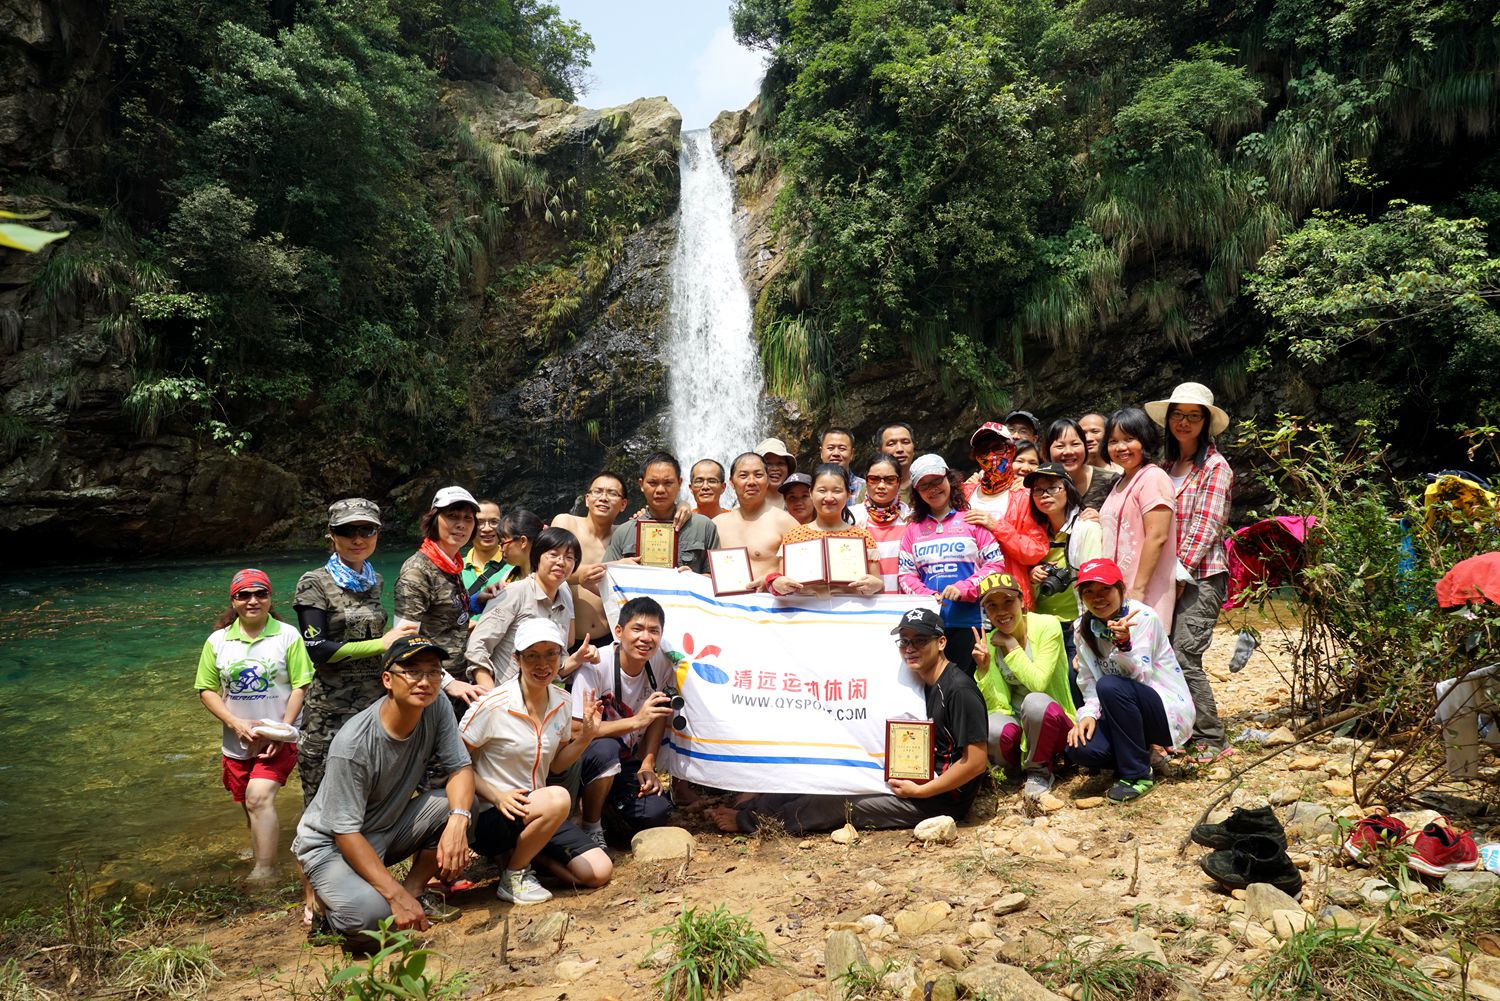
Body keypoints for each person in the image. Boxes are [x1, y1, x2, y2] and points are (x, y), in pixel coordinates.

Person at [709, 607, 987, 834]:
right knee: (820, 777)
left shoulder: (958, 689)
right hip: (910, 778)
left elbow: (975, 762)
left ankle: (751, 823)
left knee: (836, 803)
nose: (910, 648)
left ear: (941, 643)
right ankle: (753, 808)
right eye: (904, 641)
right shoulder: (918, 684)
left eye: (920, 641)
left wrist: (922, 791)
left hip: (937, 800)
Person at [292, 635, 475, 938]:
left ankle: (414, 891)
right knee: (373, 921)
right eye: (412, 672)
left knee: (462, 805)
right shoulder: (353, 744)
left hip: (385, 829)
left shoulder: (436, 704)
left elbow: (460, 768)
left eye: (433, 672)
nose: (424, 682)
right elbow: (345, 833)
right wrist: (393, 895)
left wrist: (458, 822)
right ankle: (325, 909)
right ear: (387, 680)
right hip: (332, 845)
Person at [461, 619, 612, 903]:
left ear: (560, 657)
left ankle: (525, 856)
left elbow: (556, 765)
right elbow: (455, 763)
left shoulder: (562, 702)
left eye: (551, 654)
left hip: (539, 812)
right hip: (493, 815)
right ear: (517, 659)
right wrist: (496, 796)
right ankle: (514, 875)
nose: (543, 664)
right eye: (532, 655)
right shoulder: (493, 705)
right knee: (558, 797)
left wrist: (586, 737)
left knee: (598, 872)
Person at [196, 568, 313, 884]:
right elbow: (206, 689)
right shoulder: (218, 641)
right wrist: (235, 723)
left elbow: (301, 685)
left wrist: (283, 731)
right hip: (237, 740)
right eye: (244, 595)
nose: (252, 601)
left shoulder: (287, 635)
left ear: (270, 598)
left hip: (279, 738)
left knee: (258, 797)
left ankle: (265, 870)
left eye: (260, 593)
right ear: (233, 601)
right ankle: (261, 847)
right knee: (247, 802)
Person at [1147, 382, 1234, 760]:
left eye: (1193, 416)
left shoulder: (1215, 467)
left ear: (1206, 423)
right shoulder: (1166, 467)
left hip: (1201, 576)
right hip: (1168, 575)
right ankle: (1178, 730)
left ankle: (1212, 737)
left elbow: (1207, 526)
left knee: (1184, 654)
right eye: (1178, 415)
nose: (1184, 422)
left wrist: (1179, 576)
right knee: (1162, 653)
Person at [1064, 559, 1195, 803]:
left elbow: (1141, 677)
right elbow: (1087, 679)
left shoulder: (1143, 617)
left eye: (1105, 589)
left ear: (1120, 589)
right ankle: (1142, 755)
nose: (1097, 597)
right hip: (1120, 708)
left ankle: (1137, 774)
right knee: (1080, 749)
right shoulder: (1083, 627)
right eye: (1089, 591)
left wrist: (1123, 645)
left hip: (1162, 710)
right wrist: (1088, 715)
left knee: (1110, 685)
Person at [569, 597, 676, 847]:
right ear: (618, 631)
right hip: (586, 759)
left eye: (654, 631)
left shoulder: (662, 663)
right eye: (637, 629)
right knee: (606, 749)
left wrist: (647, 764)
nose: (645, 638)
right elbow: (575, 730)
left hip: (626, 761)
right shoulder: (596, 666)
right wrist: (636, 722)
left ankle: (607, 810)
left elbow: (658, 715)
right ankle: (591, 826)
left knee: (656, 811)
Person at [971, 572, 1076, 804]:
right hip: (1020, 722)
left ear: (1022, 601)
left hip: (1053, 720)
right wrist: (984, 669)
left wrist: (1011, 646)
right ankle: (1012, 772)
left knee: (1034, 702)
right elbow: (997, 705)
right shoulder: (990, 641)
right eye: (992, 606)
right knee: (991, 726)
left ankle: (1039, 770)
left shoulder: (1047, 625)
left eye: (1008, 601)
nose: (1001, 611)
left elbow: (1039, 683)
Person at [899, 454, 1004, 675]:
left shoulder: (972, 520)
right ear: (917, 492)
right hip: (928, 626)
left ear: (949, 479)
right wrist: (927, 596)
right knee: (934, 688)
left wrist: (965, 588)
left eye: (937, 480)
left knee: (968, 686)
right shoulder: (912, 529)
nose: (933, 489)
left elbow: (996, 565)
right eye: (924, 485)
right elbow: (906, 575)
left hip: (970, 623)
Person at [465, 527, 593, 687]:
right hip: (503, 693)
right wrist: (491, 695)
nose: (561, 562)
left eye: (569, 557)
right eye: (553, 555)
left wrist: (578, 659)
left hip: (540, 697)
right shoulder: (514, 592)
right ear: (537, 557)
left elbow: (556, 667)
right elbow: (478, 646)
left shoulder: (564, 598)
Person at [394, 487, 485, 709]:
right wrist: (448, 682)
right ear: (434, 519)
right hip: (430, 687)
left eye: (468, 518)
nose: (461, 524)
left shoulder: (451, 564)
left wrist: (479, 599)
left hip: (459, 681)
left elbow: (446, 611)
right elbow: (404, 641)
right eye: (452, 516)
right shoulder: (417, 571)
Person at [1024, 463, 1102, 700]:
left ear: (1068, 489)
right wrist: (1032, 576)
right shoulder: (1032, 532)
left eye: (1053, 488)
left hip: (1075, 623)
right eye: (1038, 490)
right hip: (1042, 624)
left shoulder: (1085, 527)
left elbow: (1094, 581)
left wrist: (1088, 634)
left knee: (1075, 680)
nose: (1045, 495)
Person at [1098, 408, 1179, 631]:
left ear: (1145, 440)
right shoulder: (1120, 482)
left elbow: (1157, 536)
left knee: (1142, 649)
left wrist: (1138, 590)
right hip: (1117, 591)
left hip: (1144, 593)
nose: (1120, 447)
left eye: (1129, 439)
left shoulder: (1153, 477)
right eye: (1113, 441)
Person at [768, 464, 884, 597]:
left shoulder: (862, 537)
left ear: (848, 494)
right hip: (805, 609)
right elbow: (783, 583)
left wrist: (876, 585)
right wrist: (777, 583)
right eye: (822, 490)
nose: (829, 497)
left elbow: (877, 586)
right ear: (811, 493)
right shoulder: (793, 537)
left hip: (851, 609)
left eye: (837, 491)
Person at [603, 453, 721, 573]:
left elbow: (717, 578)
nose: (660, 490)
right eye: (653, 483)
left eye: (668, 483)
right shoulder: (623, 533)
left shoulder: (704, 527)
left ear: (679, 483)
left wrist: (692, 578)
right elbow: (605, 577)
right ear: (641, 485)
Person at [555, 476, 628, 646]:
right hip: (567, 639)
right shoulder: (567, 523)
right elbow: (549, 567)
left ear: (623, 504)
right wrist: (582, 575)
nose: (603, 498)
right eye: (598, 491)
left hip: (611, 639)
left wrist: (683, 506)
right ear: (587, 499)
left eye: (612, 493)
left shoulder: (624, 535)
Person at [713, 452, 801, 585]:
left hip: (769, 597)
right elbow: (708, 572)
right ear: (731, 482)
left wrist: (770, 582)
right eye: (743, 476)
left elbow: (802, 572)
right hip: (725, 598)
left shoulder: (785, 523)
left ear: (767, 480)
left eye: (758, 475)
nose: (751, 482)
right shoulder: (716, 524)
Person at [850, 454, 910, 592]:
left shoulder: (910, 518)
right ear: (866, 480)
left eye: (890, 480)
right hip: (863, 600)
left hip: (904, 600)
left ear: (899, 482)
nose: (881, 486)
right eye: (874, 479)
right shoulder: (851, 518)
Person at [1043, 418, 1118, 512]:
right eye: (1060, 446)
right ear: (1048, 451)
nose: (1068, 452)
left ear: (1085, 447)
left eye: (1075, 444)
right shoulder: (1040, 485)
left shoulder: (1110, 481)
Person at [462, 500, 514, 619]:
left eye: (494, 522)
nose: (487, 528)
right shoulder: (455, 568)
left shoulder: (515, 566)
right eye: (480, 522)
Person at [963, 422, 1024, 521]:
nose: (991, 456)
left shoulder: (1024, 494)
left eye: (998, 448)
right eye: (983, 450)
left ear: (1012, 449)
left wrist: (995, 526)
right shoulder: (964, 492)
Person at [819, 427, 866, 503]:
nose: (836, 453)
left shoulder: (865, 488)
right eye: (830, 448)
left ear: (852, 454)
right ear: (821, 452)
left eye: (842, 449)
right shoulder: (809, 487)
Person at [756, 437, 798, 509]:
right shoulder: (745, 503)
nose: (775, 468)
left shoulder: (798, 502)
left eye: (780, 463)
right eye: (768, 464)